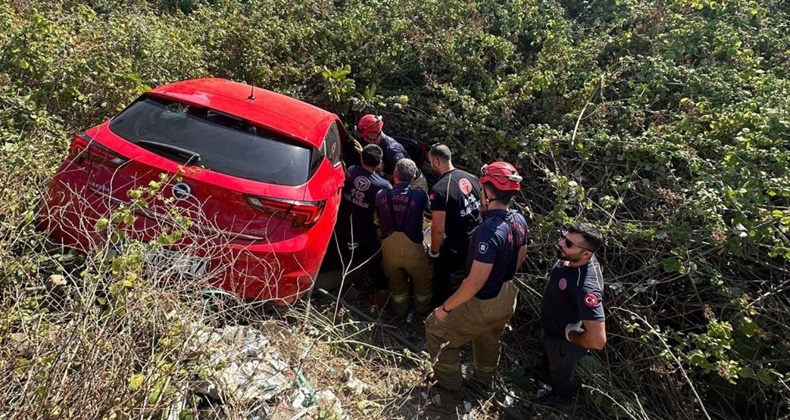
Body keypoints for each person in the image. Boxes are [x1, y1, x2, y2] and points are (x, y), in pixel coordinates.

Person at [425, 161, 528, 392]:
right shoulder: (519, 221)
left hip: (483, 300)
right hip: (506, 296)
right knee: (490, 336)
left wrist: (445, 309)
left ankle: (450, 384)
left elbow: (473, 283)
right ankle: (483, 379)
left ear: (489, 192)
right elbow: (520, 258)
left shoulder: (487, 232)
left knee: (435, 328)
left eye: (483, 188)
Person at [533, 223, 606, 410]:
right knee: (547, 356)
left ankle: (562, 400)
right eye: (563, 238)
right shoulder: (572, 257)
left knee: (561, 372)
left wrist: (571, 336)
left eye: (568, 244)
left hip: (564, 343)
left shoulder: (586, 286)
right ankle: (543, 374)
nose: (560, 244)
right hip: (551, 329)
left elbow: (598, 340)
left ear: (586, 254)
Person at [375, 159, 433, 317]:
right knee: (423, 284)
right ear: (414, 176)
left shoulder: (381, 195)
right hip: (414, 250)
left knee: (396, 285)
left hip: (388, 251)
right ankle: (422, 310)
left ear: (394, 174)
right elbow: (430, 216)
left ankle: (399, 311)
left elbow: (378, 219)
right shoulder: (420, 196)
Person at [426, 144, 483, 306]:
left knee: (442, 278)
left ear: (436, 161)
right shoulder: (472, 178)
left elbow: (437, 229)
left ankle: (439, 310)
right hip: (477, 239)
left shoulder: (440, 190)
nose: (431, 166)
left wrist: (434, 252)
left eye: (431, 162)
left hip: (457, 245)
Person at [335, 144, 391, 292]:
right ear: (379, 162)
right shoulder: (383, 186)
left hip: (339, 223)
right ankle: (356, 282)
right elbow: (385, 214)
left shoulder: (351, 171)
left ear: (361, 157)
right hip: (360, 232)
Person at [353, 114, 412, 184]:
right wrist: (364, 153)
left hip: (412, 184)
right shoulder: (377, 144)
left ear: (374, 134)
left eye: (366, 136)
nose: (365, 139)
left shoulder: (391, 149)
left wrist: (383, 177)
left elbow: (406, 173)